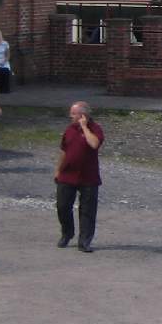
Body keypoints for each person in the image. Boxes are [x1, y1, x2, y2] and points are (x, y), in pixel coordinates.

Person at [55, 101, 105, 253]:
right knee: (62, 206)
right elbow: (64, 150)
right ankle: (67, 232)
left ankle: (84, 241)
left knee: (88, 210)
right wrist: (58, 170)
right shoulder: (69, 129)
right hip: (68, 174)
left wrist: (84, 127)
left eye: (74, 113)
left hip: (88, 176)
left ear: (83, 115)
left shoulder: (95, 129)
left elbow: (94, 144)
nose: (71, 116)